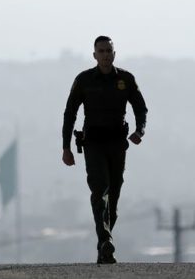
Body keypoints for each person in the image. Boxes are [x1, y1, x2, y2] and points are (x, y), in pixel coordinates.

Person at [61, 35, 148, 264]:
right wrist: (66, 147)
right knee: (100, 191)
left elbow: (141, 108)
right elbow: (70, 113)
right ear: (94, 55)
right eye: (101, 51)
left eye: (109, 51)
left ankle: (103, 246)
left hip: (118, 144)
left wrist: (140, 131)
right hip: (93, 144)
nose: (105, 55)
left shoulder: (126, 80)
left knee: (114, 198)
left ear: (114, 53)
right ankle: (106, 240)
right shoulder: (84, 80)